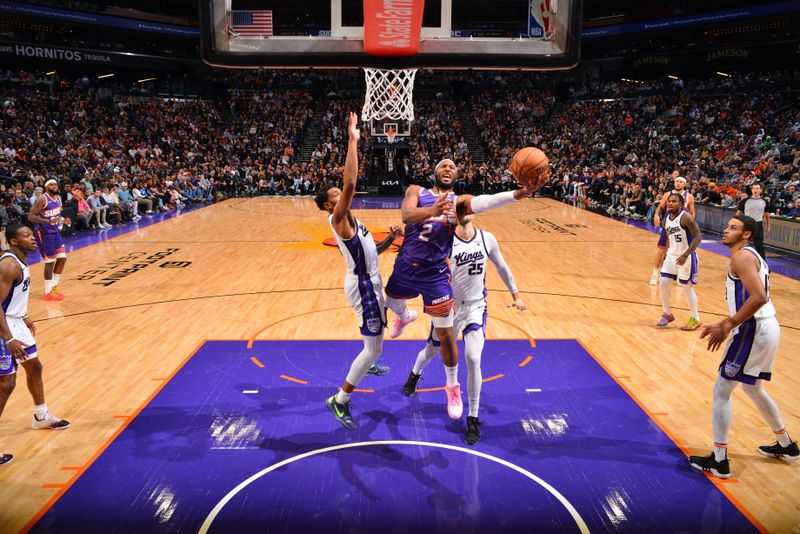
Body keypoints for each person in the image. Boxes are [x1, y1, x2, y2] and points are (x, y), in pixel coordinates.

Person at [384, 157, 544, 419]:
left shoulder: (459, 204)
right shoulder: (416, 190)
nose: (448, 168)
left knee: (450, 342)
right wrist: (433, 210)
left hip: (438, 279)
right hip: (405, 266)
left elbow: (486, 202)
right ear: (433, 171)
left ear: (456, 176)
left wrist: (519, 193)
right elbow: (406, 215)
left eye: (452, 167)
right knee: (390, 302)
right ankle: (404, 317)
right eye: (443, 165)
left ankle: (453, 388)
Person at [689, 215, 798, 478]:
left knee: (722, 391)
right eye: (726, 226)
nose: (726, 230)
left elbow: (759, 297)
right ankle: (787, 445)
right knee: (753, 387)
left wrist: (729, 325)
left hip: (753, 328)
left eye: (734, 228)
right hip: (766, 326)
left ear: (746, 234)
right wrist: (728, 321)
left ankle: (719, 460)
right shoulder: (750, 255)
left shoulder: (742, 257)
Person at [402, 214, 526, 445]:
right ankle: (414, 374)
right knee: (431, 350)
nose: (465, 211)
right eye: (460, 207)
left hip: (476, 306)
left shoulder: (487, 238)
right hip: (448, 307)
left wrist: (515, 294)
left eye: (469, 206)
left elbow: (502, 266)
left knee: (473, 357)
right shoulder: (444, 242)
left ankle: (473, 416)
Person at [316, 113, 401, 429]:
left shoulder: (355, 220)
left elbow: (371, 252)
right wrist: (353, 139)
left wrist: (391, 239)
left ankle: (370, 358)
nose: (342, 194)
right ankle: (339, 401)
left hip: (371, 279)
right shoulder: (339, 219)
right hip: (363, 286)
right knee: (375, 344)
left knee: (376, 337)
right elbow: (350, 181)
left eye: (340, 194)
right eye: (335, 196)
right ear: (329, 207)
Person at [0, 224, 71, 465]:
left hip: (15, 321)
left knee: (35, 368)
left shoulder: (22, 260)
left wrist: (24, 315)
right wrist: (8, 338)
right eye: (26, 235)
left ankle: (41, 416)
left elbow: (12, 297)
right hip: (4, 328)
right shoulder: (9, 264)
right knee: (6, 384)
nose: (32, 238)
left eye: (32, 234)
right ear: (13, 241)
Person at [657, 193, 702, 330]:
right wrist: (666, 253)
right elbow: (670, 238)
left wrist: (685, 254)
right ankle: (667, 313)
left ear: (681, 204)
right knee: (663, 283)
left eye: (674, 201)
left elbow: (698, 236)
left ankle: (695, 318)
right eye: (669, 201)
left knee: (686, 288)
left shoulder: (686, 217)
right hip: (671, 255)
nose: (670, 203)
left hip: (686, 256)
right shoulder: (666, 219)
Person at [27, 179, 68, 301]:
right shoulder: (42, 199)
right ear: (46, 187)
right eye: (51, 184)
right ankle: (47, 291)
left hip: (55, 231)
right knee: (50, 261)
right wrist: (47, 221)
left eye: (55, 184)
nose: (54, 186)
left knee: (62, 258)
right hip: (44, 233)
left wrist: (63, 220)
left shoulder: (59, 198)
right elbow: (31, 216)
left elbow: (56, 215)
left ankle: (53, 286)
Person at [650, 175, 695, 285]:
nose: (678, 183)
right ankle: (655, 274)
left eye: (680, 181)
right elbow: (660, 207)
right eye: (676, 181)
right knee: (661, 248)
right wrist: (656, 215)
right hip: (669, 224)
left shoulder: (689, 196)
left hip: (682, 225)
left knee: (682, 249)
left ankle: (681, 274)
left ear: (684, 184)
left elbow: (692, 211)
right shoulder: (667, 194)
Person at [736, 183, 770, 260]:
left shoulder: (764, 201)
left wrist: (768, 226)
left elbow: (767, 215)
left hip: (758, 224)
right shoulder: (745, 201)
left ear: (761, 190)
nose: (756, 190)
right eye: (754, 188)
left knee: (759, 245)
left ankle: (762, 265)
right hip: (747, 223)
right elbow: (738, 214)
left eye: (757, 188)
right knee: (741, 243)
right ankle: (738, 260)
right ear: (752, 190)